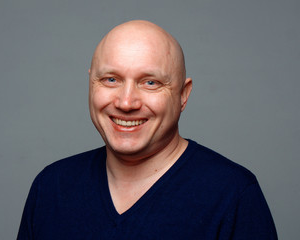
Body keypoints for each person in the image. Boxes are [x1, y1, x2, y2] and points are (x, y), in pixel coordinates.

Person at [17, 20, 277, 239]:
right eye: (111, 79)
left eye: (150, 82)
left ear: (183, 96)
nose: (126, 102)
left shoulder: (234, 195)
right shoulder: (51, 188)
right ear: (90, 84)